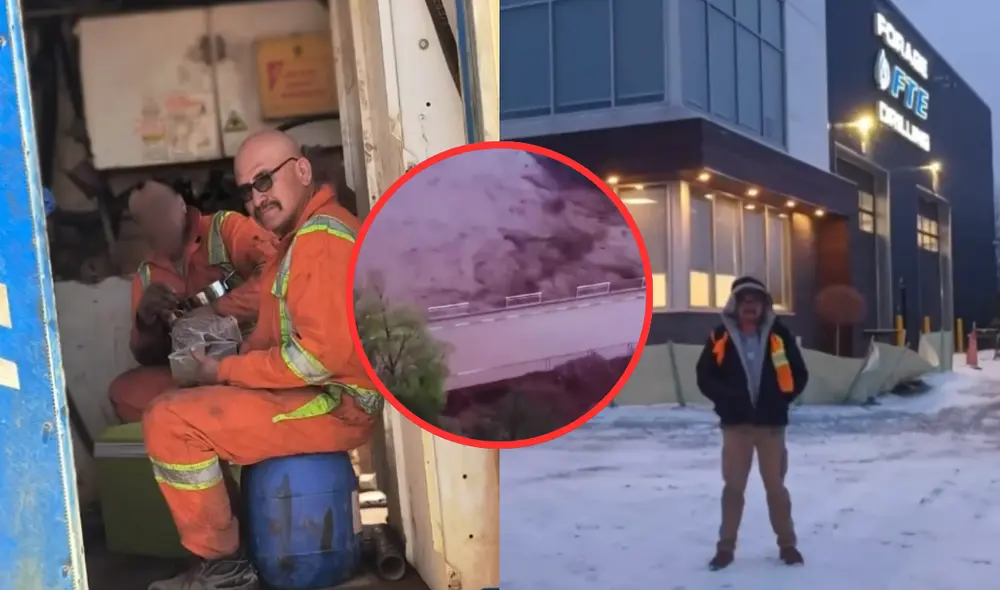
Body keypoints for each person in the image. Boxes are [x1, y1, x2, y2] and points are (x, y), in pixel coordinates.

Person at [143, 130, 382, 590]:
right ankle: (234, 552)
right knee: (184, 401)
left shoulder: (321, 241)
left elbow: (315, 358)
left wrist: (224, 370)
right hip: (315, 392)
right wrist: (224, 367)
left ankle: (226, 569)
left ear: (302, 170)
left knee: (170, 421)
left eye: (265, 180)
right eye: (247, 189)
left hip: (334, 403)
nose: (257, 198)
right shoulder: (297, 239)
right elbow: (282, 338)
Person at [107, 180, 277, 423]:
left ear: (182, 205)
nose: (158, 223)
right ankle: (207, 418)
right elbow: (148, 357)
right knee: (125, 393)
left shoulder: (225, 229)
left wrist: (218, 310)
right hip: (192, 376)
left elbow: (278, 275)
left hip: (248, 361)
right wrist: (146, 320)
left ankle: (211, 414)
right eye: (147, 218)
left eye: (162, 211)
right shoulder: (146, 275)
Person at [695, 275, 809, 571]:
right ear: (734, 304)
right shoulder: (719, 336)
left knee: (776, 488)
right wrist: (725, 401)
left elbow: (799, 374)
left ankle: (788, 545)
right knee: (733, 488)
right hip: (736, 427)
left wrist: (781, 400)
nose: (749, 306)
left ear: (763, 306)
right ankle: (725, 549)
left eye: (755, 301)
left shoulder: (779, 335)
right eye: (743, 300)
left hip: (771, 427)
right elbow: (704, 376)